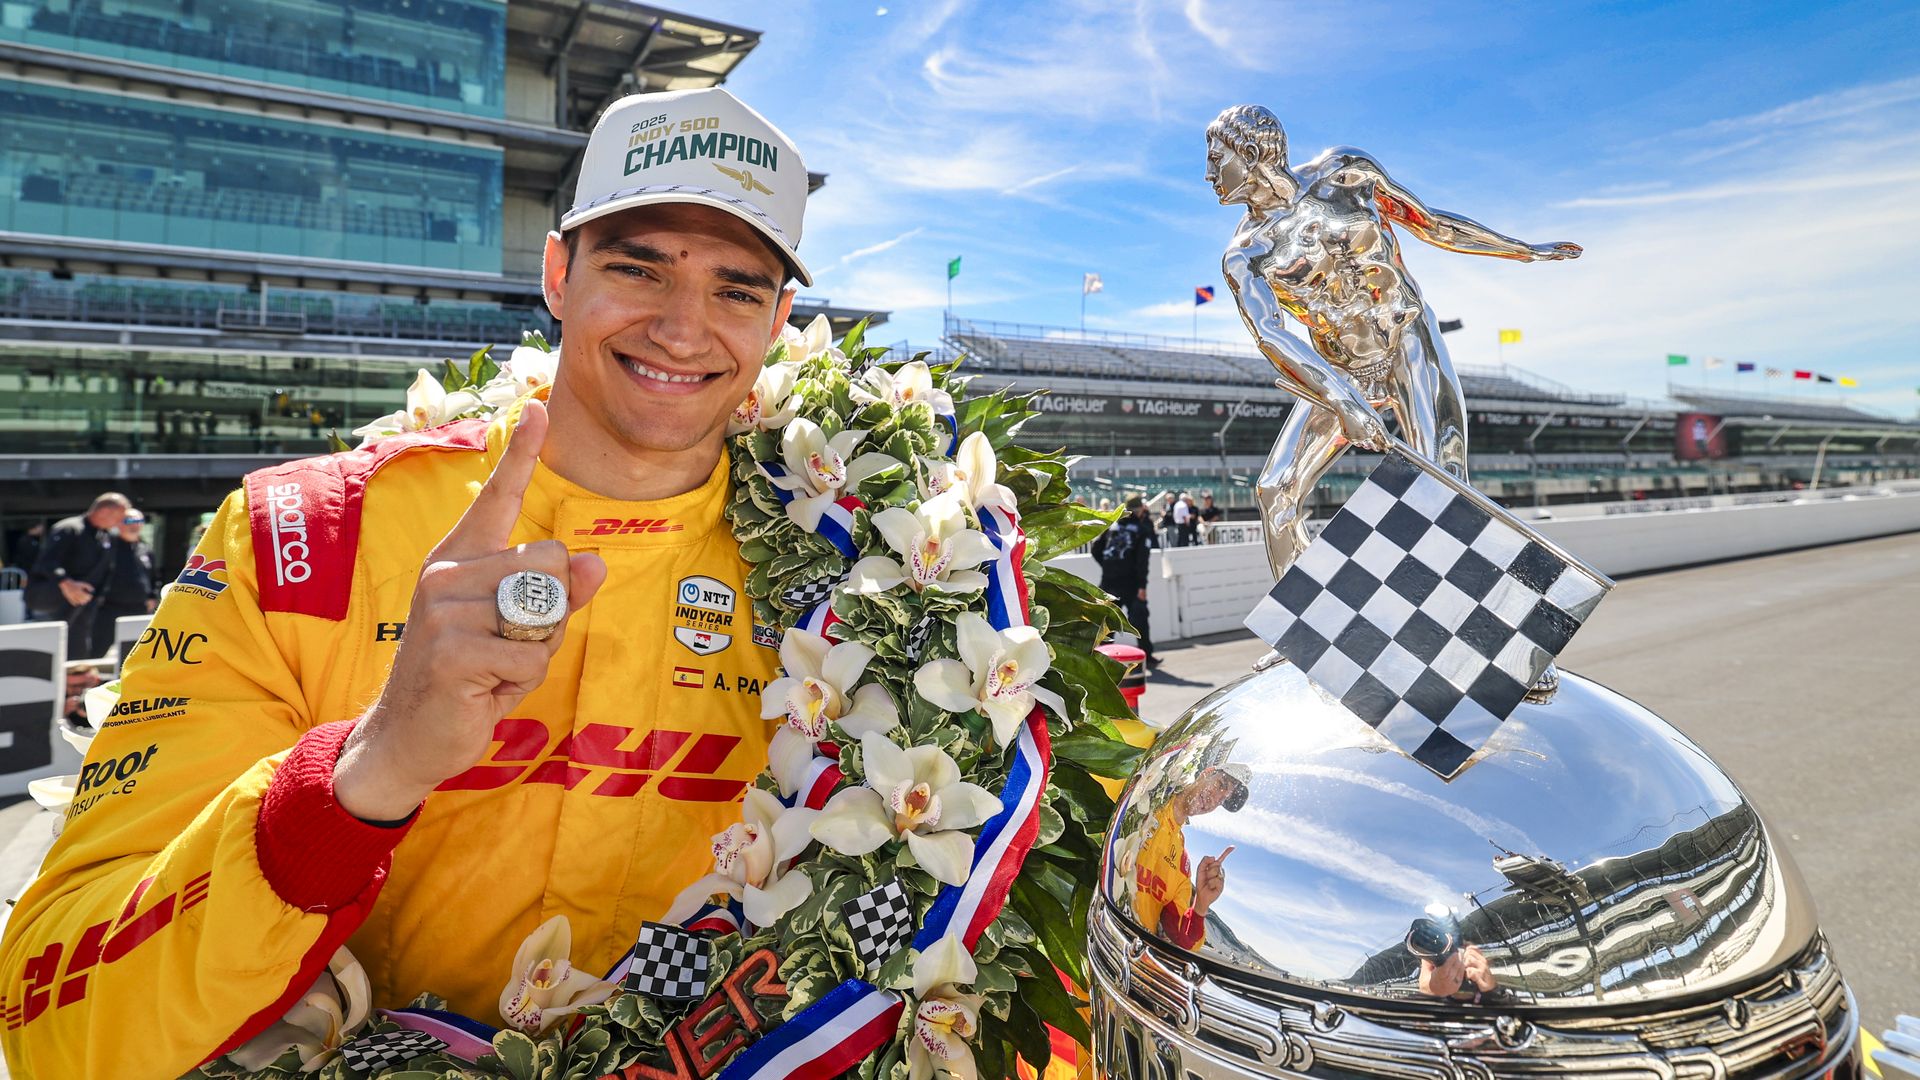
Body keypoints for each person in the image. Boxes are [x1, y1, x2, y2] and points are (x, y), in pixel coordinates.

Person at [1, 86, 811, 1077]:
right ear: (558, 273)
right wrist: (362, 779)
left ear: (780, 319)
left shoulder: (855, 585)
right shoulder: (304, 534)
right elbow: (53, 1021)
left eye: (737, 289)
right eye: (637, 267)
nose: (685, 328)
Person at [1207, 104, 1580, 579]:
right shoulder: (1247, 253)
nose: (1208, 173)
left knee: (1443, 479)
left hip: (1405, 338)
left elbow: (1431, 225)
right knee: (1276, 489)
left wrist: (1522, 251)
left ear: (1253, 152)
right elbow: (1270, 334)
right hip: (1338, 369)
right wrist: (1344, 403)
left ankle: (1465, 605)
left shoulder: (1344, 174)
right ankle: (1302, 630)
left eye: (1217, 158)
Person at [1132, 763, 1248, 948]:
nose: (1213, 800)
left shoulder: (1182, 863)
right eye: (1220, 785)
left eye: (1221, 800)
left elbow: (1185, 939)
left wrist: (1201, 905)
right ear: (1207, 772)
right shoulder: (1148, 795)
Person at [25, 492, 130, 659]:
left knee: (77, 654)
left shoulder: (105, 536)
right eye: (119, 517)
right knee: (45, 653)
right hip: (52, 602)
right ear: (104, 512)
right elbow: (46, 562)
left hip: (82, 607)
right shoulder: (70, 528)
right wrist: (66, 583)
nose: (119, 522)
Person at [1091, 495, 1158, 664]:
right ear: (1140, 508)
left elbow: (1095, 549)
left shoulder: (1112, 526)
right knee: (1139, 619)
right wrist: (1142, 585)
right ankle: (1147, 656)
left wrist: (1108, 565)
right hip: (1132, 582)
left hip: (1109, 581)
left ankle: (1103, 659)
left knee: (1108, 622)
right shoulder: (1141, 529)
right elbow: (1142, 560)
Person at [91, 508, 160, 653]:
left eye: (139, 521)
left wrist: (153, 596)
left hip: (139, 608)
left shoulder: (145, 548)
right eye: (129, 520)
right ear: (119, 524)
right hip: (110, 608)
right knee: (98, 649)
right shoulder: (108, 546)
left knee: (138, 651)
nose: (134, 525)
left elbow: (153, 576)